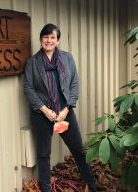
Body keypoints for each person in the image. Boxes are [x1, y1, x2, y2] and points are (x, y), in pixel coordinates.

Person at [23, 23, 104, 192]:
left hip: (64, 112)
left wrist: (66, 109)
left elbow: (74, 84)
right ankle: (46, 189)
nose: (49, 40)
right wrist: (45, 110)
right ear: (40, 39)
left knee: (79, 151)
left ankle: (93, 185)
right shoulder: (32, 62)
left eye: (52, 37)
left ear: (58, 40)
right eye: (46, 37)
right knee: (44, 155)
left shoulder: (67, 58)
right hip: (42, 115)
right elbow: (28, 89)